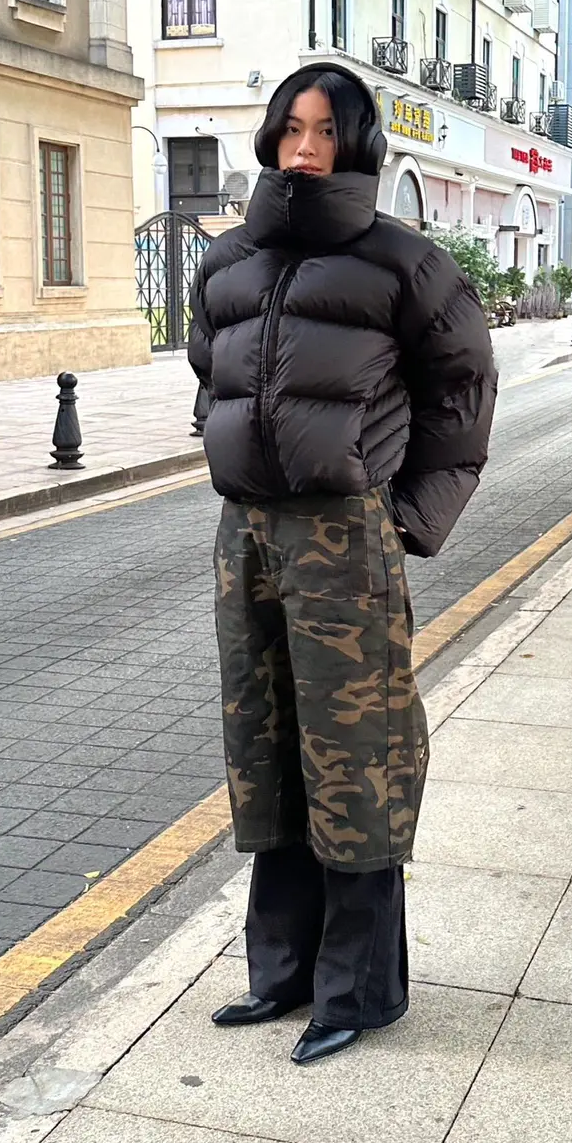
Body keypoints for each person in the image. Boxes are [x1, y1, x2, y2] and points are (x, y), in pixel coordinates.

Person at [187, 63, 496, 1066]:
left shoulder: (404, 263)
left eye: (325, 131)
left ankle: (357, 990)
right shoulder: (228, 262)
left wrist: (403, 516)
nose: (306, 148)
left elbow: (463, 392)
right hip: (247, 538)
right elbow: (209, 374)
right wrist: (229, 445)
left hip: (343, 539)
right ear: (271, 138)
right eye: (292, 128)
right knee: (265, 749)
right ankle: (280, 974)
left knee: (355, 757)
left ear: (356, 143)